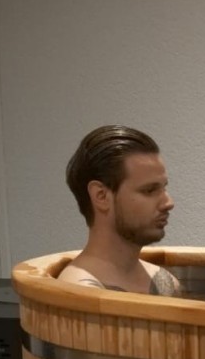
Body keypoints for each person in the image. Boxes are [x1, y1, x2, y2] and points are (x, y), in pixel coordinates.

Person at [59, 126, 180, 295]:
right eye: (149, 190)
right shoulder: (79, 293)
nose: (168, 203)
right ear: (101, 196)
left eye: (163, 188)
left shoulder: (166, 284)